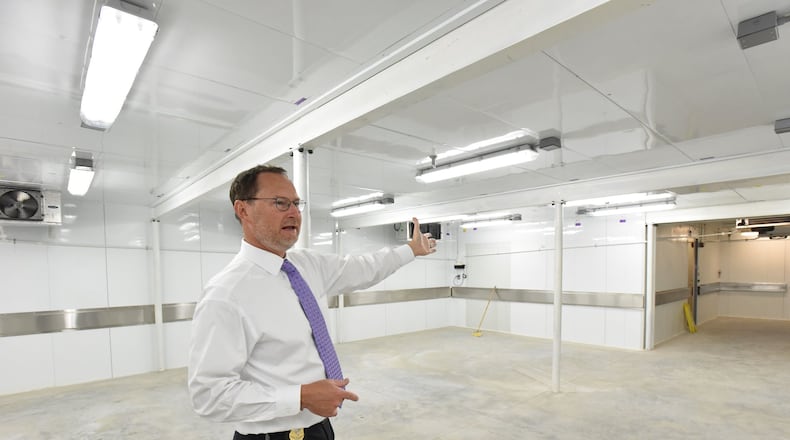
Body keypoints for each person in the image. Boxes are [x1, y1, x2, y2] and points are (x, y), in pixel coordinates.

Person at [188, 164, 436, 439]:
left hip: (320, 426)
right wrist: (299, 397)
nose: (294, 213)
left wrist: (410, 250)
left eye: (296, 203)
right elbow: (208, 395)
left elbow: (363, 268)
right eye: (280, 203)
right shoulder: (226, 293)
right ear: (243, 210)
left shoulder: (306, 264)